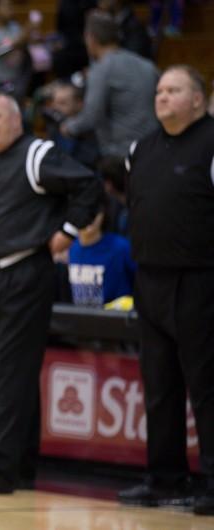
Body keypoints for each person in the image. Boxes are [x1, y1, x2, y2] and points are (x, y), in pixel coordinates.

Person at [0, 93, 101, 494]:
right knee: (13, 370)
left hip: (27, 273)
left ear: (17, 119)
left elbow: (89, 185)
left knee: (11, 372)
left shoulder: (37, 153)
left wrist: (68, 231)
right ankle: (21, 464)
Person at [118, 66, 214, 516]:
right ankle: (164, 478)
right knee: (158, 388)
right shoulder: (140, 149)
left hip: (200, 281)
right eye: (159, 90)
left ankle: (212, 483)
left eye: (173, 89)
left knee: (207, 387)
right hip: (150, 279)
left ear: (198, 98)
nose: (162, 97)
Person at [60, 11, 159, 158]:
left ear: (91, 39)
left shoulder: (102, 68)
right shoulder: (147, 65)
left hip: (121, 155)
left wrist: (67, 127)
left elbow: (91, 116)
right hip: (155, 147)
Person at [66, 198, 135, 307]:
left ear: (102, 213)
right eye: (83, 211)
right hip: (82, 320)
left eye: (94, 211)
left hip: (116, 320)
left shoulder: (121, 247)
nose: (89, 217)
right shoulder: (71, 249)